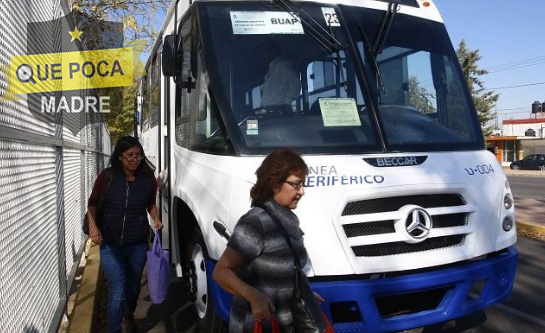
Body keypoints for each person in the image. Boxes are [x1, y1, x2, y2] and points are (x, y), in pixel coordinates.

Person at [213, 148, 323, 332]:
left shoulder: (289, 219)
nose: (302, 191)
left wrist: (303, 293)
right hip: (256, 326)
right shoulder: (255, 222)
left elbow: (285, 269)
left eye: (303, 184)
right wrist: (254, 297)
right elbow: (221, 272)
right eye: (296, 185)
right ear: (274, 184)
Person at [87, 136, 163, 333]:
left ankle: (128, 315)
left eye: (138, 155)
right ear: (120, 157)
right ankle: (115, 329)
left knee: (133, 288)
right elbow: (92, 203)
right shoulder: (107, 177)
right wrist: (94, 227)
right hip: (110, 244)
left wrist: (155, 218)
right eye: (129, 155)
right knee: (117, 291)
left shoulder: (148, 179)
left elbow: (150, 204)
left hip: (137, 243)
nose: (135, 159)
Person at [260, 42, 301, 117]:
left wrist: (287, 102)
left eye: (264, 51)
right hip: (268, 110)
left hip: (279, 110)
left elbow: (296, 84)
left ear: (272, 51)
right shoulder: (272, 67)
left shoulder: (282, 65)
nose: (263, 54)